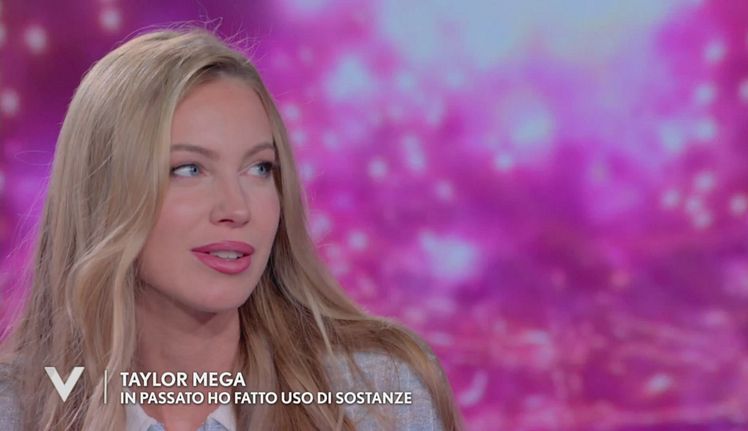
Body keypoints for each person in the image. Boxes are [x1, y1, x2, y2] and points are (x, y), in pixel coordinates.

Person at [0, 27, 463, 430]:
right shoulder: (15, 408)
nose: (237, 208)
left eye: (259, 169)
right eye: (189, 169)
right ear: (101, 195)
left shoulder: (375, 395)